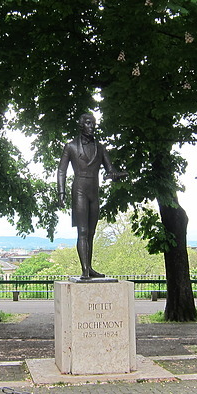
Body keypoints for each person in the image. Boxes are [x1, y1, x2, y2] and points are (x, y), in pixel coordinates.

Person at [57, 113, 127, 280]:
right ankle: (85, 270)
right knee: (82, 231)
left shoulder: (100, 147)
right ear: (81, 125)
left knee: (91, 233)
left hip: (94, 191)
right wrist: (61, 193)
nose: (92, 126)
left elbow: (110, 170)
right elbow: (61, 170)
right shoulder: (71, 146)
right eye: (88, 123)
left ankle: (89, 267)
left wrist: (117, 174)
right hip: (79, 188)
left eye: (93, 123)